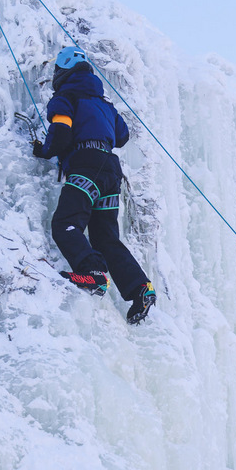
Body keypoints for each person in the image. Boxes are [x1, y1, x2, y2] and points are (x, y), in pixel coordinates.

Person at [32, 47, 156, 325]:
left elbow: (61, 134)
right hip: (110, 170)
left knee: (65, 224)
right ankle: (140, 288)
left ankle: (93, 274)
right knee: (105, 238)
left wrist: (44, 150)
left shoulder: (65, 98)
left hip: (85, 164)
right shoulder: (105, 104)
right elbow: (122, 136)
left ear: (62, 72)